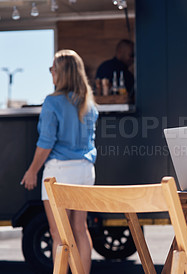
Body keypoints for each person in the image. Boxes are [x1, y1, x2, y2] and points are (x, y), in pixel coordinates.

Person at [21, 49, 98, 274]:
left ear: (61, 73)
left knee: (59, 234)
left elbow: (46, 142)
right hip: (85, 171)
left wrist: (32, 170)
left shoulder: (52, 102)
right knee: (80, 230)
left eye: (52, 69)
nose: (50, 73)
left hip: (60, 172)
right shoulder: (89, 104)